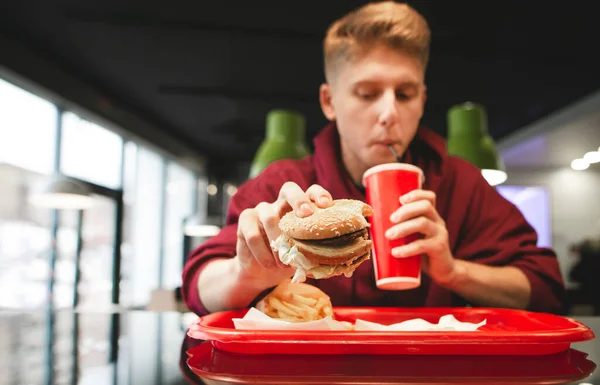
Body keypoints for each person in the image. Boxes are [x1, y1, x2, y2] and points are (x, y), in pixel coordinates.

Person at [181, 1, 565, 317]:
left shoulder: (459, 182)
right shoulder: (284, 183)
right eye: (367, 94)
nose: (389, 113)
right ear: (330, 102)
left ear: (422, 102)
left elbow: (545, 289)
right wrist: (248, 273)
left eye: (405, 94)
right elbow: (199, 285)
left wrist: (454, 271)